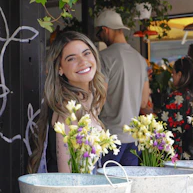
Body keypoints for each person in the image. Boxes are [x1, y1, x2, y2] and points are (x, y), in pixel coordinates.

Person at [28, 31, 106, 173]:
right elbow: (67, 176)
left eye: (86, 53)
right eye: (71, 59)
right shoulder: (68, 110)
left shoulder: (92, 97)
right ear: (60, 68)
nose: (83, 62)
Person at [96, 9, 150, 166]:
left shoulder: (104, 57)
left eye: (98, 33)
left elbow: (100, 97)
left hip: (110, 138)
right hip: (133, 139)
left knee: (107, 186)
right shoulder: (140, 60)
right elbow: (144, 102)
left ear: (105, 30)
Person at [158, 56, 193, 160]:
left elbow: (162, 126)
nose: (172, 77)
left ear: (179, 75)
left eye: (173, 74)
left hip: (178, 154)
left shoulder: (176, 97)